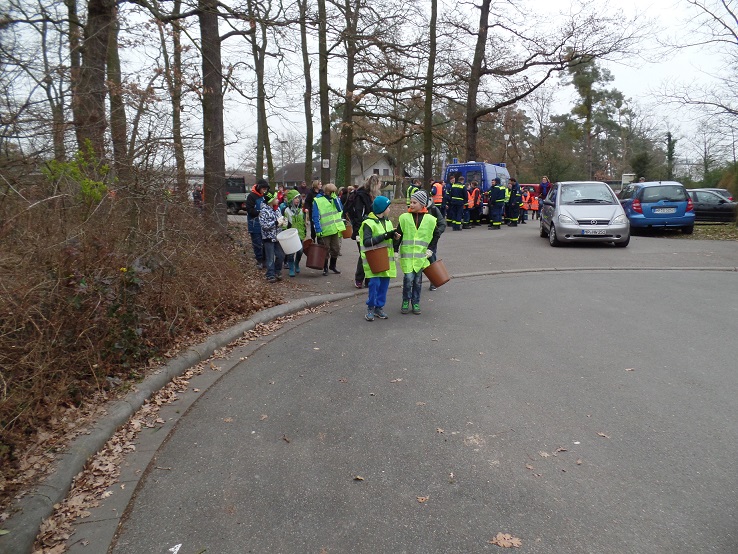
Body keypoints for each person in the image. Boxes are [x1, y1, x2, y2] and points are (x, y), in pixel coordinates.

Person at [395, 190, 439, 315]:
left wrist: (431, 249)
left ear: (422, 204)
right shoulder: (404, 218)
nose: (411, 205)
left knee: (417, 281)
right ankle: (405, 300)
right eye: (411, 202)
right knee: (408, 279)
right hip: (407, 257)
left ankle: (415, 302)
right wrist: (395, 250)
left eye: (414, 203)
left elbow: (436, 234)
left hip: (421, 257)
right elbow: (398, 235)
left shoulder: (430, 219)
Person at [360, 196, 398, 321]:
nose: (389, 209)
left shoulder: (388, 222)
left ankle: (379, 307)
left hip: (385, 260)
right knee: (374, 284)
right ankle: (371, 307)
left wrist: (394, 237)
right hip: (374, 260)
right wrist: (386, 235)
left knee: (384, 285)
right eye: (388, 207)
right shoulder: (368, 223)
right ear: (382, 209)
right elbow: (367, 242)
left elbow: (388, 240)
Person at [348, 175, 376, 288]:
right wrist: (357, 232)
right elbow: (358, 215)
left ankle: (369, 279)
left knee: (370, 253)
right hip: (362, 229)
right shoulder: (361, 196)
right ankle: (359, 278)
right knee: (364, 254)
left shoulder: (370, 196)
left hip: (371, 228)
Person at [312, 183, 345, 275]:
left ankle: (332, 266)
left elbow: (340, 209)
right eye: (332, 192)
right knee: (325, 250)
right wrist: (318, 229)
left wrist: (335, 199)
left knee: (336, 249)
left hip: (334, 229)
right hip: (325, 230)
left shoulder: (335, 199)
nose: (334, 193)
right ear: (328, 192)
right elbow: (315, 216)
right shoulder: (318, 200)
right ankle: (325, 267)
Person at [259, 192, 286, 282]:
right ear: (271, 201)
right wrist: (275, 223)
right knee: (270, 258)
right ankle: (270, 274)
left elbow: (280, 220)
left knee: (281, 255)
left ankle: (277, 271)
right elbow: (264, 225)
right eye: (276, 198)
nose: (278, 200)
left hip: (278, 237)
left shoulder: (277, 209)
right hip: (268, 238)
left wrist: (283, 222)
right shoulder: (263, 211)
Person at [245, 179, 270, 268]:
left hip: (264, 224)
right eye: (263, 189)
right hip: (254, 223)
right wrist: (259, 212)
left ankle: (265, 259)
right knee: (257, 243)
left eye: (266, 189)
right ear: (259, 188)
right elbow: (249, 209)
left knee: (265, 242)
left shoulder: (265, 195)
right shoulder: (251, 196)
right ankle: (259, 260)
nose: (264, 191)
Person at [424, 192, 447, 291]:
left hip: (431, 241)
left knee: (431, 261)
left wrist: (436, 235)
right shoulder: (414, 209)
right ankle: (415, 283)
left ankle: (434, 282)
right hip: (417, 241)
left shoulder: (433, 209)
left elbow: (442, 223)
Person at [283, 189, 306, 277]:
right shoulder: (286, 211)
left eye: (298, 198)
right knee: (291, 253)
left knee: (300, 251)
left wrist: (304, 232)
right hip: (291, 235)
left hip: (300, 234)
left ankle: (296, 263)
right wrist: (285, 232)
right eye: (295, 198)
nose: (297, 200)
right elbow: (284, 223)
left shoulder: (300, 211)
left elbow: (303, 223)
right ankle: (291, 267)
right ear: (291, 200)